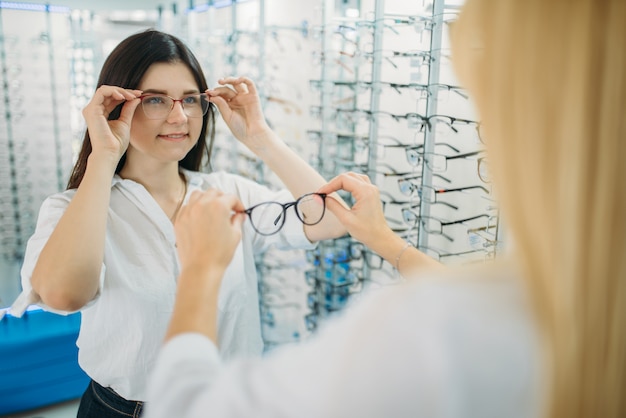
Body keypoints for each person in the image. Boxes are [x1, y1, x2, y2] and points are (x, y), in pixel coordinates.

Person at [143, 0, 626, 417]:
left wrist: (201, 270)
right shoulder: (576, 316)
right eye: (155, 101)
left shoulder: (435, 333)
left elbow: (185, 410)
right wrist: (386, 242)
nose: (178, 116)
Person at [7, 29, 348, 417]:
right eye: (154, 100)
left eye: (189, 100)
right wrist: (103, 155)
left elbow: (334, 219)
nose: (178, 116)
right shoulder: (72, 209)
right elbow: (63, 295)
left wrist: (260, 137)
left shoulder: (227, 194)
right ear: (117, 106)